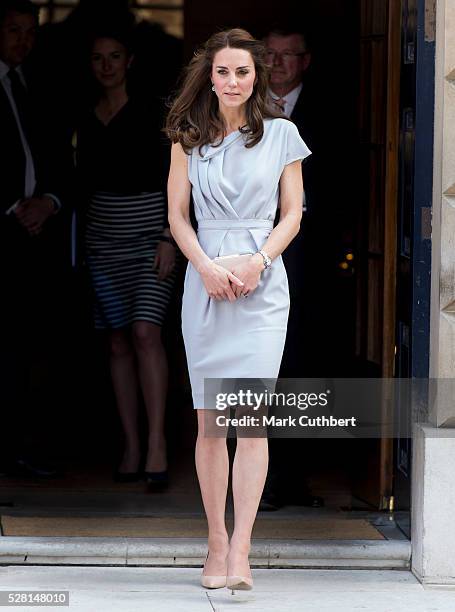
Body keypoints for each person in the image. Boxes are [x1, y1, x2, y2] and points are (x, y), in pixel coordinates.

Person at [166, 28, 310, 592]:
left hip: (261, 286)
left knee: (250, 424)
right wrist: (203, 266)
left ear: (258, 77)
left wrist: (256, 262)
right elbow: (178, 215)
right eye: (223, 71)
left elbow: (294, 213)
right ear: (209, 76)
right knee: (210, 423)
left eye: (242, 72)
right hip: (204, 282)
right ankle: (215, 544)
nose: (232, 81)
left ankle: (244, 548)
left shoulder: (282, 134)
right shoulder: (185, 136)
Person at [76, 28, 177, 487]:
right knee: (116, 340)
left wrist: (168, 236)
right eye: (98, 58)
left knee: (145, 332)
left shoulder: (153, 111)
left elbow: (176, 176)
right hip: (102, 240)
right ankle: (131, 445)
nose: (106, 65)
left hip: (150, 236)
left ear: (130, 61)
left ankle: (157, 444)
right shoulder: (82, 114)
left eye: (114, 56)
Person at [0, 0, 70, 479]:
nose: (23, 39)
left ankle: (25, 447)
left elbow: (61, 157)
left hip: (37, 238)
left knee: (32, 346)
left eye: (30, 31)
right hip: (2, 232)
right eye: (13, 30)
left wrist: (48, 200)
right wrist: (12, 207)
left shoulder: (37, 85)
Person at [257, 26, 325, 512]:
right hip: (249, 256)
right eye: (270, 55)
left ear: (305, 62)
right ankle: (258, 477)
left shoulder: (332, 111)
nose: (278, 64)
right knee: (259, 366)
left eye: (288, 56)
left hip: (311, 263)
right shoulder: (242, 109)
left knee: (302, 368)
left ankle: (294, 476)